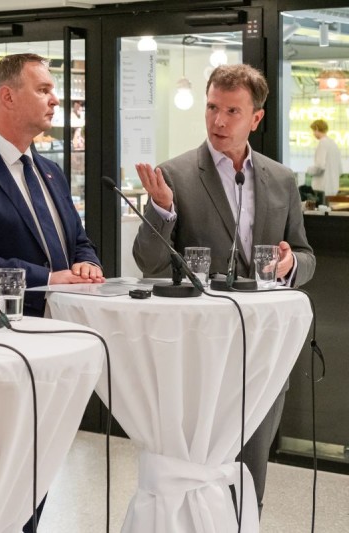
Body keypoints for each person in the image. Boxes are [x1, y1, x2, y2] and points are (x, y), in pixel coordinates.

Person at [133, 63, 316, 515]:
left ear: (256, 118)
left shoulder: (281, 179)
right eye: (212, 107)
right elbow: (149, 262)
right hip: (200, 353)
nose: (218, 120)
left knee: (251, 476)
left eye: (232, 111)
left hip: (263, 352)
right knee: (198, 477)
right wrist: (161, 210)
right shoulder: (174, 175)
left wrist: (291, 262)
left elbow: (306, 254)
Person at [0, 53, 104, 321]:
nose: (55, 100)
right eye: (43, 90)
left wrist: (87, 263)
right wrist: (46, 280)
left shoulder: (52, 171)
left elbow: (78, 240)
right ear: (8, 97)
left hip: (64, 320)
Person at [307, 118, 342, 199]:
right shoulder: (333, 144)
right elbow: (340, 169)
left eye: (313, 130)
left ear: (317, 128)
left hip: (322, 187)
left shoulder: (322, 143)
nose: (313, 133)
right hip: (334, 187)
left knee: (321, 206)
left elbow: (320, 166)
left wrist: (309, 170)